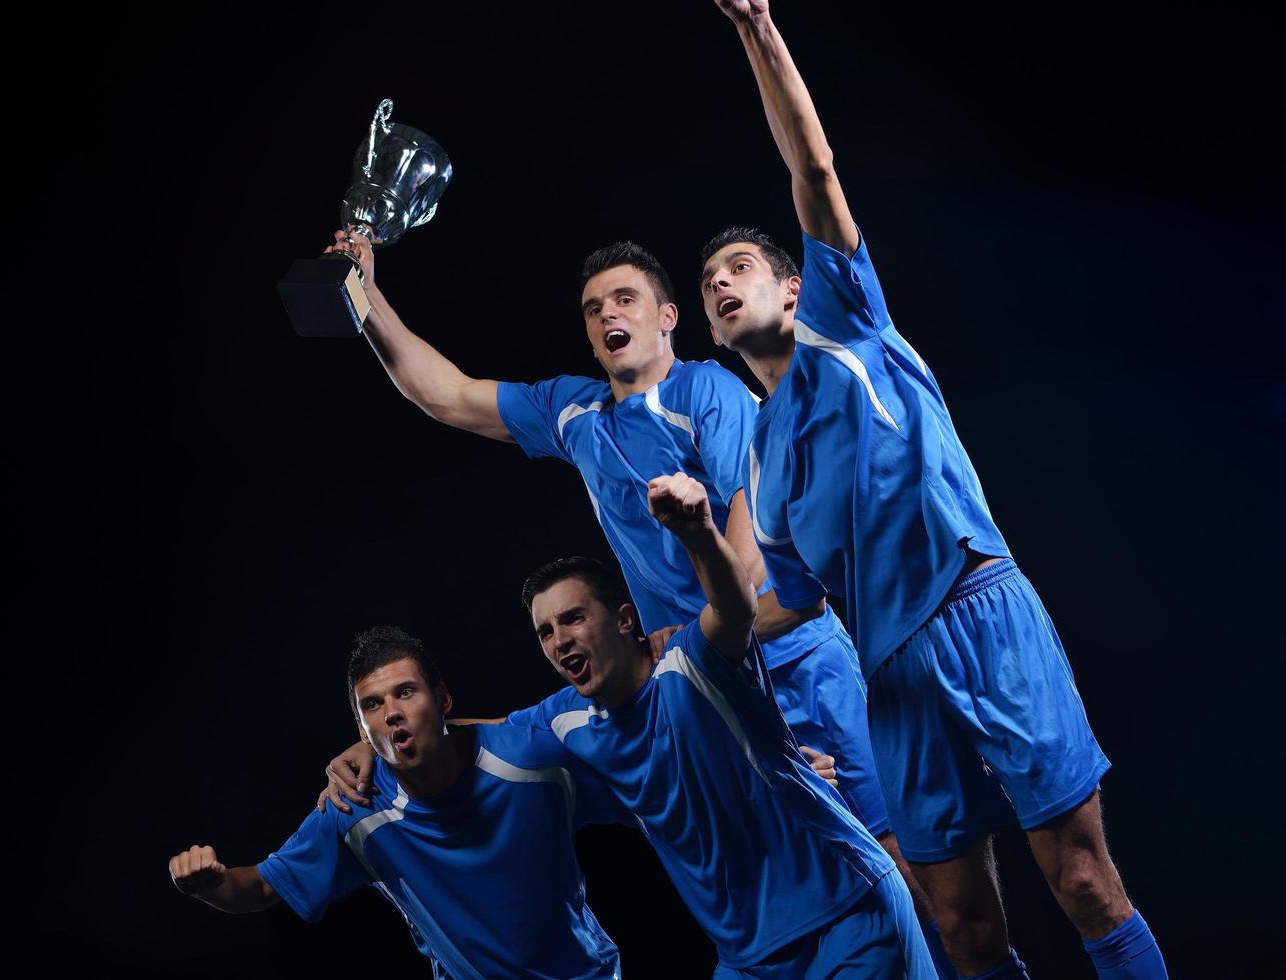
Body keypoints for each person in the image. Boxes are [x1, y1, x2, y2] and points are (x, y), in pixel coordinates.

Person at [697, 2, 1167, 977]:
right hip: (893, 678)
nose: (719, 284)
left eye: (736, 268)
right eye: (706, 284)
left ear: (792, 288)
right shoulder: (761, 463)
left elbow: (812, 170)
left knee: (1079, 879)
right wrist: (705, 625)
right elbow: (793, 596)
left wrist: (756, 28)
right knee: (959, 930)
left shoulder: (844, 320)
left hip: (979, 611)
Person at [324, 202, 897, 872]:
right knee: (793, 867)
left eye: (625, 299)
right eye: (594, 309)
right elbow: (443, 395)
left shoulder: (708, 392)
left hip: (791, 661)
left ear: (666, 318)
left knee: (891, 859)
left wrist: (699, 645)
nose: (607, 316)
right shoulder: (577, 413)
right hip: (706, 686)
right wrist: (361, 294)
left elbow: (747, 559)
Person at [324, 475, 937, 977]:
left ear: (622, 620)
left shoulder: (694, 662)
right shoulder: (564, 723)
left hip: (848, 914)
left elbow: (735, 606)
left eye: (572, 620)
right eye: (545, 632)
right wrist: (376, 739)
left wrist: (698, 534)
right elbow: (472, 732)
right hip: (750, 959)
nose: (560, 640)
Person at [166, 626, 626, 979]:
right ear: (361, 730)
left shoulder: (532, 757)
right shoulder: (356, 808)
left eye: (405, 692)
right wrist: (209, 882)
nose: (391, 712)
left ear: (442, 699)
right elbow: (262, 888)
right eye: (371, 705)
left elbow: (623, 729)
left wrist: (655, 647)